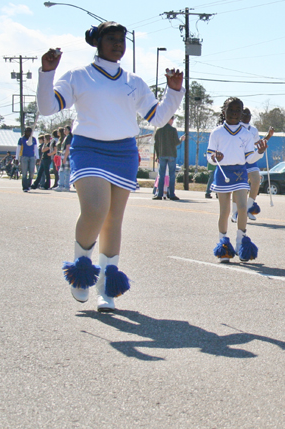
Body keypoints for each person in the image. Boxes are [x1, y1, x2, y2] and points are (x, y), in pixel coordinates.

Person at [37, 21, 184, 312]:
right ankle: (81, 269)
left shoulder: (134, 81)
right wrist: (47, 73)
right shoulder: (78, 76)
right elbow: (46, 107)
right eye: (112, 39)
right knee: (95, 210)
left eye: (122, 39)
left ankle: (107, 288)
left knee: (113, 219)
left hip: (123, 152)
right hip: (89, 149)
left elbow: (156, 118)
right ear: (97, 42)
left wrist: (174, 92)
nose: (118, 44)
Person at [208, 97, 267, 263]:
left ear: (242, 113)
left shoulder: (247, 134)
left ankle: (241, 242)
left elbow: (249, 158)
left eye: (237, 110)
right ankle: (223, 244)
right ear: (224, 111)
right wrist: (214, 157)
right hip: (223, 173)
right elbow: (209, 156)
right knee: (225, 211)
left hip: (240, 172)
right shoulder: (217, 132)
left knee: (242, 207)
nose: (234, 113)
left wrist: (260, 152)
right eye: (231, 109)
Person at [231, 108, 273, 222]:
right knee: (239, 185)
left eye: (249, 115)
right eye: (245, 114)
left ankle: (249, 207)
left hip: (251, 157)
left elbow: (257, 143)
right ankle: (235, 212)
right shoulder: (236, 126)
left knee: (256, 180)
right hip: (239, 158)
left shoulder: (253, 129)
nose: (247, 117)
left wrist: (268, 136)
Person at [153, 116, 184, 201]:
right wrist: (181, 139)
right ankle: (171, 194)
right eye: (172, 119)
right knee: (172, 175)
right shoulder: (173, 130)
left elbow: (156, 144)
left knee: (161, 175)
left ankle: (159, 194)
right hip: (171, 155)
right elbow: (176, 142)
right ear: (170, 120)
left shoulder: (159, 130)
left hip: (162, 154)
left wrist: (157, 155)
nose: (173, 121)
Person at [16, 127, 38, 192]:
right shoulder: (21, 139)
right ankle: (25, 186)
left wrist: (37, 157)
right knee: (24, 172)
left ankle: (29, 184)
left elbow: (35, 148)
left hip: (32, 157)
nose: (28, 133)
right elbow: (18, 149)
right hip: (24, 157)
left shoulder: (33, 139)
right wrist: (17, 158)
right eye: (27, 131)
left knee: (32, 172)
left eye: (30, 131)